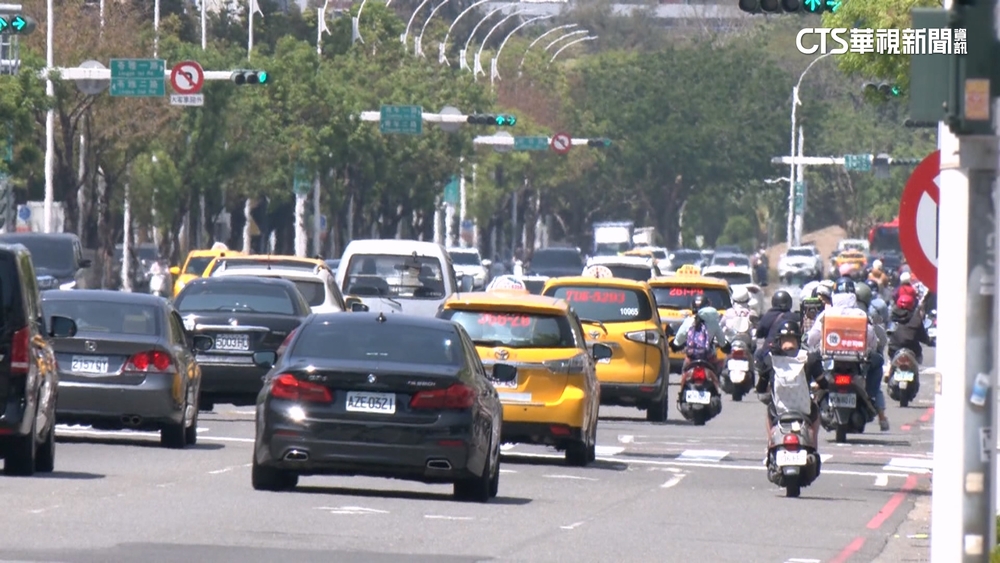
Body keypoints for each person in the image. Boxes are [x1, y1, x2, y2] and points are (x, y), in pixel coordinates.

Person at [806, 280, 891, 431]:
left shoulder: (827, 314)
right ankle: (871, 395)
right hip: (856, 360)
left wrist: (814, 346)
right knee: (877, 362)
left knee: (811, 362)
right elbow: (871, 338)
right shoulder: (861, 314)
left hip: (829, 359)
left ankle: (811, 392)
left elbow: (812, 337)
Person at [755, 319, 823, 427]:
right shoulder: (809, 358)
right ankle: (813, 444)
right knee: (815, 411)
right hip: (805, 412)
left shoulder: (770, 359)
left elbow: (761, 388)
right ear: (798, 339)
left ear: (780, 340)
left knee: (769, 411)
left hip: (778, 413)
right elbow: (823, 383)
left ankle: (771, 442)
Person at [671, 296, 729, 393]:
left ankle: (681, 393)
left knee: (684, 371)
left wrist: (675, 346)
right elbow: (722, 341)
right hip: (709, 358)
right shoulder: (713, 322)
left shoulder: (688, 321)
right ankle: (716, 390)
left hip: (691, 358)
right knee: (718, 370)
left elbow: (678, 340)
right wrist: (726, 347)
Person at [753, 290, 799, 365]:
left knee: (758, 356)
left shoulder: (768, 316)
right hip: (793, 352)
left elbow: (759, 333)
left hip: (770, 350)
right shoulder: (795, 317)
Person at [887, 293, 932, 367]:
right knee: (918, 361)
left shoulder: (892, 317)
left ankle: (888, 371)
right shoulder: (916, 318)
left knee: (890, 361)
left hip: (894, 349)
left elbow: (888, 331)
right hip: (912, 351)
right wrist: (930, 342)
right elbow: (923, 336)